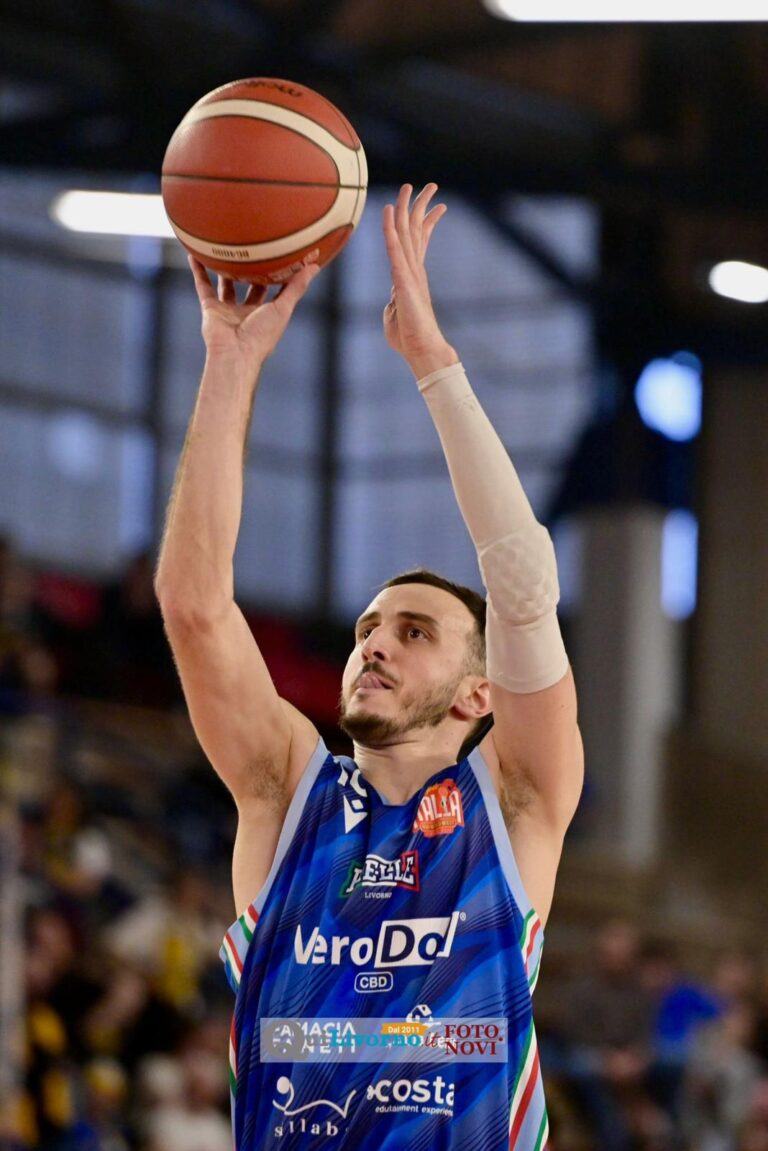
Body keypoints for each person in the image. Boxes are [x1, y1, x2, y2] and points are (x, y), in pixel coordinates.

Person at [155, 184, 584, 1150]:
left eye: (415, 631)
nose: (375, 643)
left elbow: (522, 587)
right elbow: (193, 605)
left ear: (479, 693)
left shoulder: (514, 799)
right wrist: (231, 362)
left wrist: (434, 366)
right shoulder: (287, 790)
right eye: (367, 628)